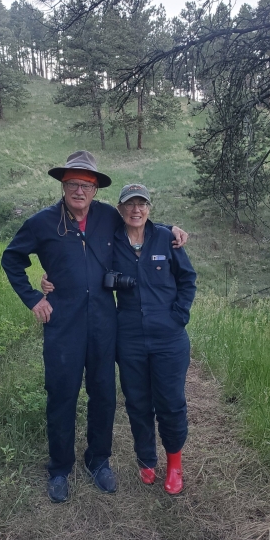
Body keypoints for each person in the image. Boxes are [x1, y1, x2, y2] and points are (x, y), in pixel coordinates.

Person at [1, 152, 187, 504]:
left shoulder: (107, 216)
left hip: (105, 324)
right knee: (62, 396)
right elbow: (12, 258)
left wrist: (170, 230)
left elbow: (140, 222)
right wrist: (33, 297)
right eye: (73, 183)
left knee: (103, 395)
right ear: (63, 184)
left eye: (86, 185)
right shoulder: (42, 223)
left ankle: (98, 460)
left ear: (96, 189)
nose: (79, 190)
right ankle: (59, 468)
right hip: (63, 326)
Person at [43, 183, 197, 495]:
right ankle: (146, 460)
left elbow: (188, 279)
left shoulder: (167, 238)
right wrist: (49, 280)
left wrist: (178, 315)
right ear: (120, 209)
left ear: (150, 208)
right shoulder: (111, 242)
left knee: (170, 402)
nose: (136, 210)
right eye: (129, 205)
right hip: (128, 337)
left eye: (142, 204)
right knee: (137, 401)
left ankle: (175, 464)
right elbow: (82, 264)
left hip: (168, 338)